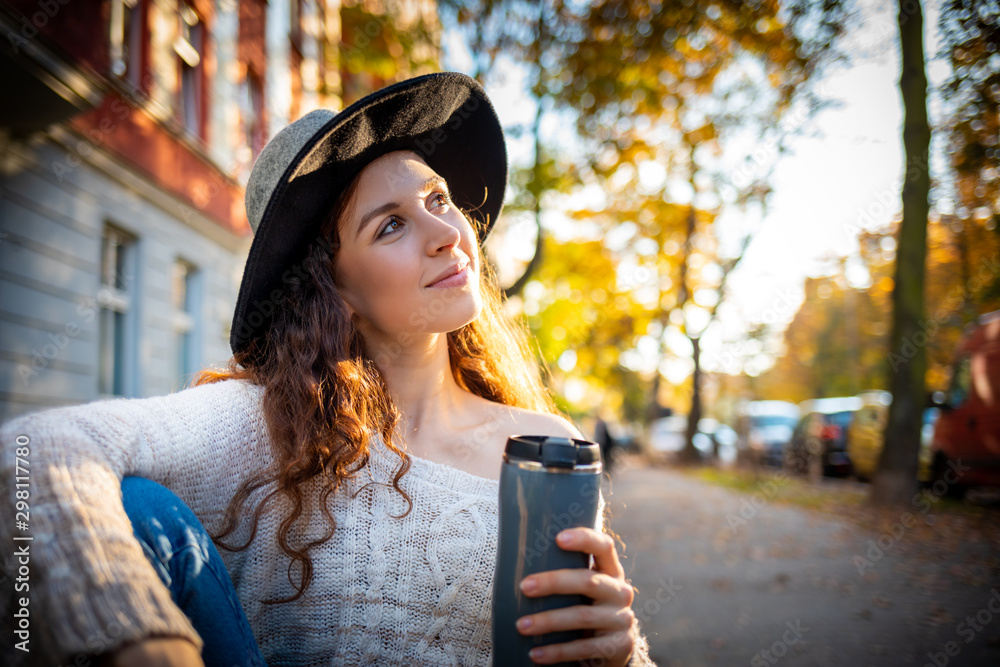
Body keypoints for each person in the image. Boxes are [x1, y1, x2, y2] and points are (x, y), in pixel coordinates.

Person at [0, 73, 652, 666]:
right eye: (391, 225)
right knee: (142, 509)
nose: (446, 232)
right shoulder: (257, 423)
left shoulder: (546, 449)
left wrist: (622, 655)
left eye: (438, 198)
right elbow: (32, 448)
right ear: (332, 289)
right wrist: (136, 634)